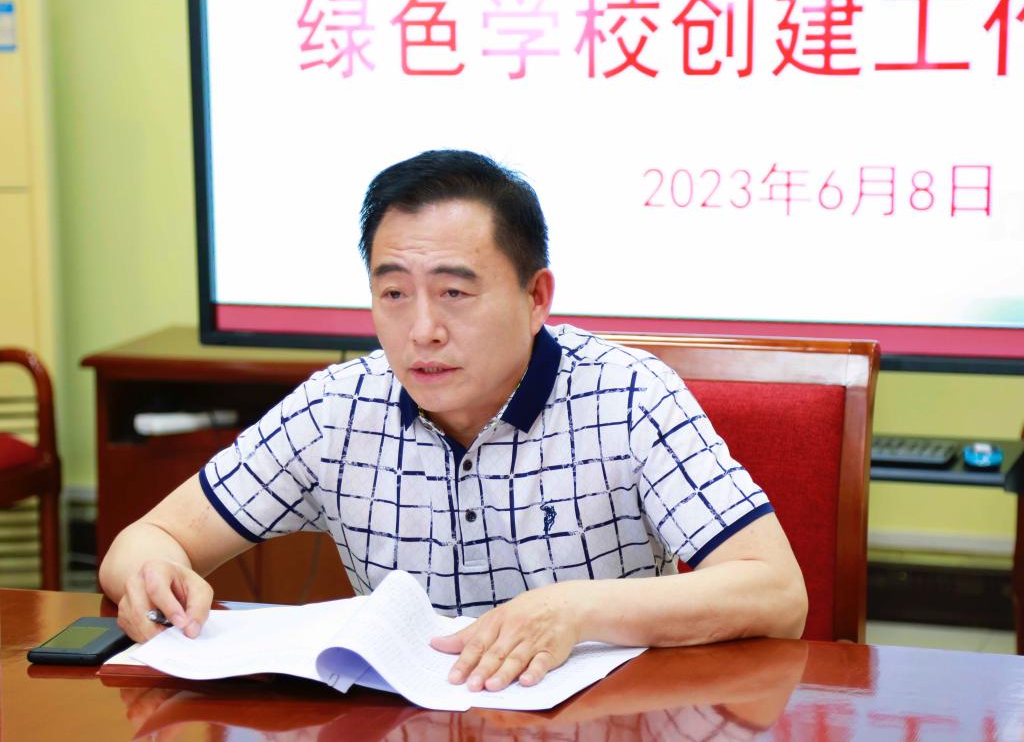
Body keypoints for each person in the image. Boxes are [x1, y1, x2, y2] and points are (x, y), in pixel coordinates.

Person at [100, 149, 807, 693]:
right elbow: (145, 541)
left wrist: (575, 610)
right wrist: (151, 576)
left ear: (536, 296)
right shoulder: (338, 408)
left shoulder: (628, 396)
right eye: (394, 294)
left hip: (600, 723)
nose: (422, 330)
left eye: (454, 293)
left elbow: (775, 592)